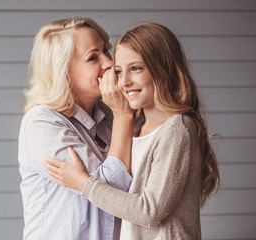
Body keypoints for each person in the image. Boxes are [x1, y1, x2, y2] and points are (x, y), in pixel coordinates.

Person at [43, 22, 220, 239]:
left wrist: (84, 184)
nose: (124, 81)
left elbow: (149, 212)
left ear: (162, 69)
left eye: (136, 68)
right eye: (119, 71)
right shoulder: (137, 128)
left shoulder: (176, 130)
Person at [18, 17, 134, 240]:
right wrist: (123, 114)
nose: (109, 63)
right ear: (64, 72)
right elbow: (112, 190)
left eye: (105, 50)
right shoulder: (41, 122)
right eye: (93, 57)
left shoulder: (109, 113)